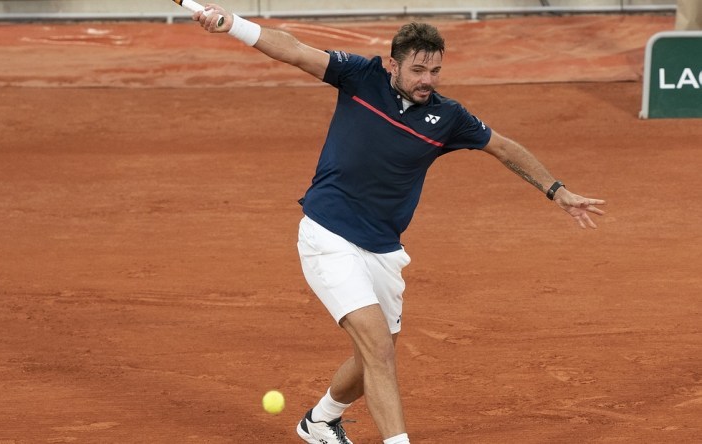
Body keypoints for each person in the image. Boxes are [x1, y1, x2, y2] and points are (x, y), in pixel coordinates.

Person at [190, 6, 606, 444]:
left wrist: (556, 190)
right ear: (393, 64)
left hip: (384, 250)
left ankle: (319, 421)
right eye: (418, 69)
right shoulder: (359, 77)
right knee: (380, 351)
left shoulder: (448, 118)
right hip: (328, 235)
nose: (428, 79)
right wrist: (234, 25)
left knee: (371, 355)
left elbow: (503, 147)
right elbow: (295, 51)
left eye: (436, 70)